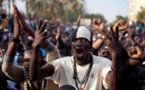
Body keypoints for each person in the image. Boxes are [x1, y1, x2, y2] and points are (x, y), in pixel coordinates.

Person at [29, 24, 122, 90]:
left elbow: (114, 87)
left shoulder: (103, 63)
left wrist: (115, 57)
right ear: (71, 46)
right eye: (75, 40)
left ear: (90, 45)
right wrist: (35, 48)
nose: (79, 44)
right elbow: (35, 77)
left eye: (83, 40)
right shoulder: (62, 64)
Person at [2, 7, 60, 90]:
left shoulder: (51, 70)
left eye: (31, 59)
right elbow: (6, 68)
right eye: (26, 60)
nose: (28, 63)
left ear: (42, 59)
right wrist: (15, 38)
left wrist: (28, 29)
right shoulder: (25, 74)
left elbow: (53, 51)